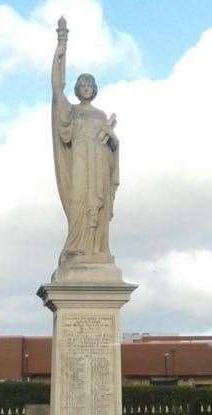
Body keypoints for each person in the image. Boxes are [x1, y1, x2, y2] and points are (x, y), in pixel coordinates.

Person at [51, 17, 120, 268]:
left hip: (100, 165)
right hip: (80, 162)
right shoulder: (73, 112)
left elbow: (114, 146)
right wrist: (61, 48)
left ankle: (97, 249)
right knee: (78, 199)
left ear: (95, 89)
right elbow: (57, 90)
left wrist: (113, 139)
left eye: (91, 84)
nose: (87, 87)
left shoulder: (101, 116)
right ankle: (77, 247)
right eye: (83, 84)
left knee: (97, 203)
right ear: (78, 89)